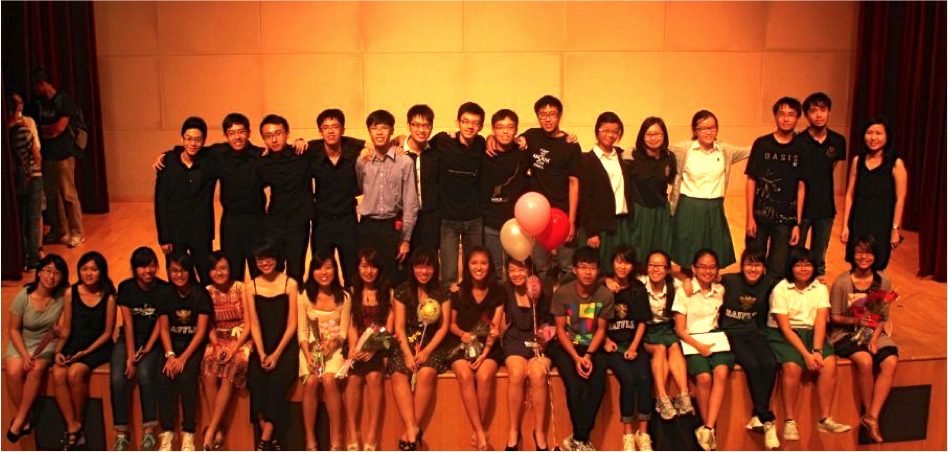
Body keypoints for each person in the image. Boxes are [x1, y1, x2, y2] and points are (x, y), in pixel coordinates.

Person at [766, 247, 851, 442]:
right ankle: (789, 421)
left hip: (811, 332)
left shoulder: (820, 288)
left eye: (807, 265)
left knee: (829, 363)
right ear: (790, 267)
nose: (803, 269)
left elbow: (821, 321)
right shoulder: (781, 289)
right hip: (784, 334)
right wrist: (806, 355)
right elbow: (785, 328)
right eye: (798, 265)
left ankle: (825, 418)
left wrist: (817, 351)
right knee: (792, 366)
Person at [828, 236, 898, 443]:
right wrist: (856, 320)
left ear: (875, 256)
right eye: (859, 252)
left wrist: (874, 340)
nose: (863, 257)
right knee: (865, 361)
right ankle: (868, 411)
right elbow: (834, 317)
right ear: (852, 254)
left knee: (890, 361)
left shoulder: (883, 281)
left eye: (868, 252)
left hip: (873, 331)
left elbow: (882, 316)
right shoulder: (842, 282)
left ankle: (872, 416)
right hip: (845, 332)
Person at [548, 246, 614, 452]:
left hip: (592, 345)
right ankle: (581, 440)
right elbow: (560, 330)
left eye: (592, 267)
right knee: (575, 387)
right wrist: (577, 358)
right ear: (575, 270)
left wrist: (589, 355)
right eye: (583, 267)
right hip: (566, 345)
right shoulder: (562, 293)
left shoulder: (605, 295)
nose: (588, 272)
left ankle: (577, 439)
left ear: (598, 270)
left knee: (597, 387)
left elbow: (601, 330)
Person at [388, 248, 452, 452]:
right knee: (398, 372)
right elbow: (399, 327)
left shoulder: (442, 290)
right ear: (413, 268)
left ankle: (409, 433)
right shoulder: (402, 290)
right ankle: (412, 429)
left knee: (426, 373)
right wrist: (408, 355)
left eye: (428, 267)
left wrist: (426, 352)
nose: (424, 271)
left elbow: (444, 326)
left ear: (435, 268)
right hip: (406, 342)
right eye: (419, 266)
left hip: (433, 343)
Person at [669, 110, 750, 269]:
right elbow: (658, 148)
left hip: (714, 206)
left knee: (714, 244)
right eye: (703, 128)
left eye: (712, 128)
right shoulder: (684, 149)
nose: (709, 132)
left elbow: (751, 150)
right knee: (688, 245)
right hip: (689, 205)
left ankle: (710, 276)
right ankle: (687, 276)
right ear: (695, 131)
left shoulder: (725, 150)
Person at [53, 251, 116, 451]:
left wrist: (86, 352)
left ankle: (78, 422)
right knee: (58, 373)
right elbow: (66, 329)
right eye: (84, 269)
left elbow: (107, 333)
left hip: (98, 346)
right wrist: (58, 351)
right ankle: (72, 425)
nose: (89, 273)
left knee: (75, 373)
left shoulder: (109, 296)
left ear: (102, 271)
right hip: (75, 343)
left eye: (94, 269)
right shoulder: (71, 292)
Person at [717, 247, 779, 449]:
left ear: (764, 267)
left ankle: (757, 416)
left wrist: (818, 280)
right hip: (730, 333)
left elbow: (790, 283)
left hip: (753, 332)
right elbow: (707, 276)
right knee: (751, 365)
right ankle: (767, 419)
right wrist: (687, 281)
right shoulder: (730, 280)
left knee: (770, 363)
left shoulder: (769, 282)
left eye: (757, 264)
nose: (753, 269)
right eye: (749, 264)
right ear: (742, 266)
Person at [673, 249, 734, 451]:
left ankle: (707, 428)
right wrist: (700, 347)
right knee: (705, 378)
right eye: (703, 267)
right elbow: (679, 330)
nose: (708, 271)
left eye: (712, 267)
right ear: (694, 268)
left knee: (721, 372)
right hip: (692, 340)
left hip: (715, 338)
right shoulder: (684, 291)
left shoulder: (720, 290)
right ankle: (709, 427)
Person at [111, 247, 170, 452]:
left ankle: (149, 431)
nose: (148, 270)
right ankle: (121, 433)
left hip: (152, 342)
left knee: (145, 373)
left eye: (152, 265)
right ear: (134, 268)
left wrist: (147, 348)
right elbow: (128, 324)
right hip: (127, 340)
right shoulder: (126, 288)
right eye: (143, 266)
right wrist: (130, 356)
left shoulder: (164, 289)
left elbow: (161, 323)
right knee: (118, 377)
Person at [4, 254, 68, 444]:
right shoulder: (23, 296)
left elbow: (63, 326)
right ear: (39, 273)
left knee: (36, 369)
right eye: (47, 271)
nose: (51, 276)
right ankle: (25, 417)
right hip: (22, 341)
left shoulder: (63, 296)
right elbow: (13, 330)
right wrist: (25, 355)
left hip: (47, 343)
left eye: (57, 273)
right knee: (13, 371)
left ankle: (19, 420)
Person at [446, 246, 505, 452]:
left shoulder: (498, 292)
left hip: (488, 345)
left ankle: (477, 429)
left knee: (484, 375)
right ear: (467, 266)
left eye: (483, 263)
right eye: (474, 263)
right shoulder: (458, 291)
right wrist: (462, 334)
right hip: (459, 343)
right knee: (465, 375)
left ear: (490, 266)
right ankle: (480, 431)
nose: (479, 267)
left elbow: (494, 329)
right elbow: (451, 325)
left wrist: (484, 354)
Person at [246, 240, 300, 452]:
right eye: (260, 259)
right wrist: (261, 353)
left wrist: (276, 354)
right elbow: (254, 324)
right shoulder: (251, 286)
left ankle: (263, 442)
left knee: (278, 384)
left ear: (276, 259)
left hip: (285, 346)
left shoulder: (290, 284)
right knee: (255, 382)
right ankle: (272, 440)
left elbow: (292, 324)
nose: (264, 262)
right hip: (262, 345)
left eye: (268, 258)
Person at [356, 110, 419, 286]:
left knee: (393, 278)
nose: (379, 132)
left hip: (392, 226)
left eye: (384, 128)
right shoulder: (362, 161)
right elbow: (360, 186)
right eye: (374, 128)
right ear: (369, 131)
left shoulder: (405, 161)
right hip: (367, 226)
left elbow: (411, 203)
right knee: (368, 277)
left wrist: (405, 239)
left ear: (392, 131)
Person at [156, 253, 212, 452]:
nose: (178, 275)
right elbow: (163, 329)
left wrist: (183, 358)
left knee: (188, 378)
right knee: (164, 377)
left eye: (183, 270)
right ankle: (167, 433)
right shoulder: (165, 294)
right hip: (172, 347)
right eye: (174, 271)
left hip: (193, 347)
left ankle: (189, 435)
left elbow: (201, 331)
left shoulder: (200, 294)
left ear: (190, 271)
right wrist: (171, 355)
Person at [745, 97, 806, 278]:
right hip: (759, 217)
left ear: (797, 118)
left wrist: (797, 224)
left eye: (791, 115)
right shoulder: (762, 144)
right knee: (753, 264)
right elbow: (751, 180)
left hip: (785, 220)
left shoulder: (802, 148)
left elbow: (801, 187)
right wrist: (749, 217)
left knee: (777, 269)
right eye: (781, 114)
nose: (786, 119)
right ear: (775, 116)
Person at [523, 95, 581, 282]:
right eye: (543, 114)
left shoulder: (570, 145)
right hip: (538, 215)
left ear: (559, 115)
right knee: (541, 267)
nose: (548, 119)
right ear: (537, 116)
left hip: (563, 213)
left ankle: (565, 302)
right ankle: (545, 301)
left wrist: (572, 221)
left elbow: (574, 183)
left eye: (552, 114)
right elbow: (514, 139)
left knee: (567, 267)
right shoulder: (532, 136)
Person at [601, 245, 653, 452]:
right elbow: (594, 321)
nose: (623, 267)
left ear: (633, 266)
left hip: (633, 344)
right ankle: (628, 435)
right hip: (612, 346)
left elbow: (642, 322)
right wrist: (605, 340)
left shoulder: (638, 288)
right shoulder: (603, 288)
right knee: (629, 380)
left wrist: (633, 347)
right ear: (612, 263)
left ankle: (644, 434)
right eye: (619, 261)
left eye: (627, 262)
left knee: (644, 378)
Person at [298, 251, 351, 452]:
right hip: (310, 348)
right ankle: (310, 440)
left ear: (335, 271)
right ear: (312, 272)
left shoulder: (344, 296)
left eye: (328, 267)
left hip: (334, 348)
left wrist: (331, 346)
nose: (324, 272)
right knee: (311, 382)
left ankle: (336, 442)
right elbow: (302, 331)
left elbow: (343, 332)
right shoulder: (304, 295)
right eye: (319, 268)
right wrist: (308, 355)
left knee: (329, 380)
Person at [200, 252, 252, 452]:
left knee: (229, 370)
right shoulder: (207, 291)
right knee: (209, 371)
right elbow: (208, 325)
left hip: (241, 340)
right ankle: (219, 429)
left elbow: (249, 324)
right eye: (214, 269)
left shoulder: (241, 288)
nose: (219, 272)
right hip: (218, 339)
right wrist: (217, 345)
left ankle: (212, 429)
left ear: (230, 269)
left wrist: (234, 347)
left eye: (223, 268)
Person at [431, 102, 487, 285]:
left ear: (481, 126)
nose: (470, 126)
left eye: (475, 123)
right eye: (465, 121)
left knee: (475, 273)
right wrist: (400, 138)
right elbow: (418, 143)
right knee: (449, 274)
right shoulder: (442, 141)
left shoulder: (482, 144)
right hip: (448, 219)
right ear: (458, 123)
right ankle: (450, 302)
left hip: (474, 219)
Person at [841, 118, 908, 271]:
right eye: (869, 132)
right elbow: (850, 194)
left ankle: (874, 288)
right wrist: (845, 226)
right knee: (856, 261)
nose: (873, 137)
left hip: (882, 223)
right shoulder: (858, 161)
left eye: (878, 133)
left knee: (877, 262)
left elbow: (900, 198)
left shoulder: (895, 163)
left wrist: (895, 229)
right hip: (859, 220)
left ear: (887, 136)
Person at [345, 247, 394, 452]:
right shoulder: (352, 292)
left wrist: (373, 348)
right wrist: (352, 348)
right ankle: (353, 432)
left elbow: (389, 328)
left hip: (380, 345)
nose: (369, 271)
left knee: (374, 377)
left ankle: (372, 434)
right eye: (365, 266)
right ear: (358, 268)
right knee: (353, 379)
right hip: (357, 346)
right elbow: (351, 325)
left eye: (373, 267)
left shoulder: (387, 293)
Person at [501, 257, 553, 452]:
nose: (516, 274)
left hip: (539, 344)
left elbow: (551, 323)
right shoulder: (506, 292)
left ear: (530, 270)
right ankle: (513, 430)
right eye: (512, 270)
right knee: (517, 373)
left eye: (521, 269)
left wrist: (544, 340)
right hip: (515, 341)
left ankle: (539, 432)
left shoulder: (543, 291)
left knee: (538, 374)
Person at [155, 117, 216, 282]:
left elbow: (227, 150)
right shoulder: (167, 163)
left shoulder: (210, 162)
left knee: (207, 277)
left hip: (201, 231)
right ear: (182, 138)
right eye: (188, 138)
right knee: (178, 277)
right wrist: (164, 238)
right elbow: (161, 202)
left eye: (198, 139)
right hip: (175, 233)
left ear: (204, 141)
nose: (193, 143)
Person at [309, 109, 365, 284]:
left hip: (347, 220)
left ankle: (352, 302)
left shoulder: (354, 150)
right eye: (325, 128)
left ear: (343, 130)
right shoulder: (312, 152)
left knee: (352, 271)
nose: (330, 131)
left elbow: (370, 143)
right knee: (322, 271)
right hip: (322, 222)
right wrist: (298, 141)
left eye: (335, 127)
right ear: (320, 131)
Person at [31, 68, 84, 248]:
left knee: (68, 194)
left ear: (42, 83)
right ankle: (59, 231)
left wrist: (46, 130)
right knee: (51, 196)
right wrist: (47, 130)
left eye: (36, 85)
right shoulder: (38, 103)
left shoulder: (63, 100)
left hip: (64, 154)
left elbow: (59, 128)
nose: (35, 90)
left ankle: (77, 232)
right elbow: (37, 129)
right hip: (47, 155)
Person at [256, 114, 313, 283]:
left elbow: (330, 142)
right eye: (268, 136)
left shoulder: (302, 153)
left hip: (298, 223)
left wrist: (301, 140)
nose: (274, 139)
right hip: (274, 223)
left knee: (296, 272)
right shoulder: (262, 162)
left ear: (287, 133)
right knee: (274, 271)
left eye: (278, 133)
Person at [798, 93, 847, 282]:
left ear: (829, 112)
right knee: (797, 250)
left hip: (825, 205)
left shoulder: (838, 141)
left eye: (823, 110)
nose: (819, 115)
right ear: (806, 115)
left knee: (820, 253)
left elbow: (830, 168)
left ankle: (818, 279)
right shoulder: (799, 141)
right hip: (802, 206)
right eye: (813, 111)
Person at [579, 112, 635, 274]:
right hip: (600, 225)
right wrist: (592, 232)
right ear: (597, 131)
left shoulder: (622, 155)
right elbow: (585, 198)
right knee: (599, 268)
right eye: (605, 130)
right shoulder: (587, 160)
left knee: (621, 267)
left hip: (621, 223)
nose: (610, 135)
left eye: (615, 131)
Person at [639, 250, 692, 420]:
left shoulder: (674, 285)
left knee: (675, 346)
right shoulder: (640, 283)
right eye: (652, 265)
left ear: (668, 269)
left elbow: (690, 283)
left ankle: (684, 395)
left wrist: (688, 280)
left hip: (668, 328)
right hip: (646, 330)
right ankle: (662, 398)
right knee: (660, 349)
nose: (656, 269)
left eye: (661, 266)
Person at [481, 109, 531, 281]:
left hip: (517, 224)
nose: (505, 131)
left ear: (516, 130)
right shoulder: (483, 151)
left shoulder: (524, 152)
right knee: (494, 271)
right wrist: (488, 139)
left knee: (518, 270)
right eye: (500, 127)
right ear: (493, 129)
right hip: (490, 223)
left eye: (510, 127)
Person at [626, 117, 676, 261]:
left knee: (661, 249)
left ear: (664, 135)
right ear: (642, 136)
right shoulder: (631, 157)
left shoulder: (669, 157)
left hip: (661, 210)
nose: (653, 138)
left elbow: (671, 179)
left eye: (657, 134)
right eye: (648, 134)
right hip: (640, 210)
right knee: (639, 249)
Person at [6, 90, 44, 270]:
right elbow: (37, 156)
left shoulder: (6, 133)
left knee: (19, 219)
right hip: (32, 176)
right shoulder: (23, 129)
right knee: (34, 218)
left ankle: (20, 257)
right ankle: (33, 259)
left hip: (15, 180)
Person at [403, 105, 442, 254]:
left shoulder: (436, 153)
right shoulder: (398, 154)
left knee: (429, 260)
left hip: (430, 219)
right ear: (409, 126)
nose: (421, 129)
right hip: (404, 218)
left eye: (426, 125)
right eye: (416, 125)